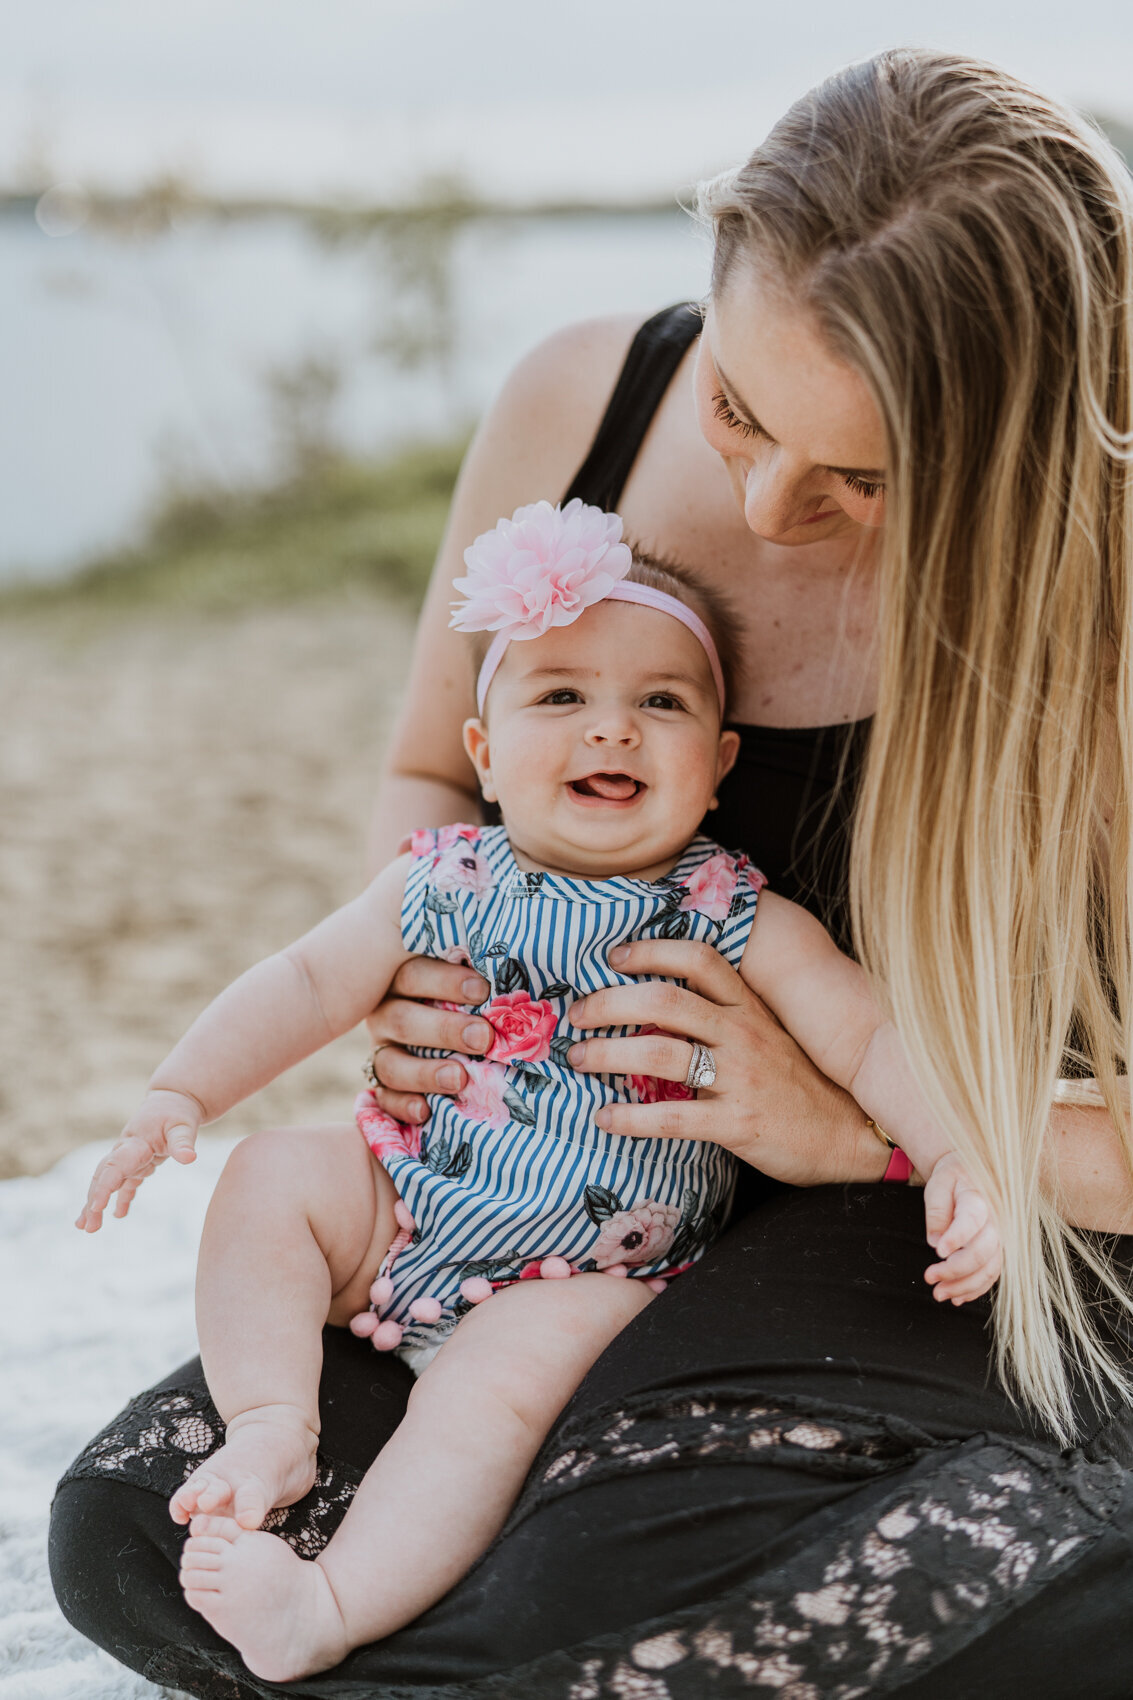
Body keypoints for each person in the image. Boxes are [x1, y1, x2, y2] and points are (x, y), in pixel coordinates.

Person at [50, 47, 1133, 1699]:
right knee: (131, 1527)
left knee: (588, 1586)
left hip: (954, 1202)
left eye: (866, 480)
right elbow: (435, 765)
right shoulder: (584, 402)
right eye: (740, 412)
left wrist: (846, 1131)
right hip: (546, 1177)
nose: (771, 508)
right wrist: (420, 987)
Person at [75, 513, 999, 1682]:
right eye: (559, 696)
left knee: (491, 1394)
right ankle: (272, 1422)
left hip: (593, 1273)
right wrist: (180, 1088)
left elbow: (866, 1037)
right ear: (485, 749)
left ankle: (332, 1601)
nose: (611, 722)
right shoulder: (442, 875)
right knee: (272, 1173)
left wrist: (951, 1149)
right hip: (405, 1210)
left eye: (659, 702)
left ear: (717, 762)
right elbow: (305, 980)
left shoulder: (727, 907)